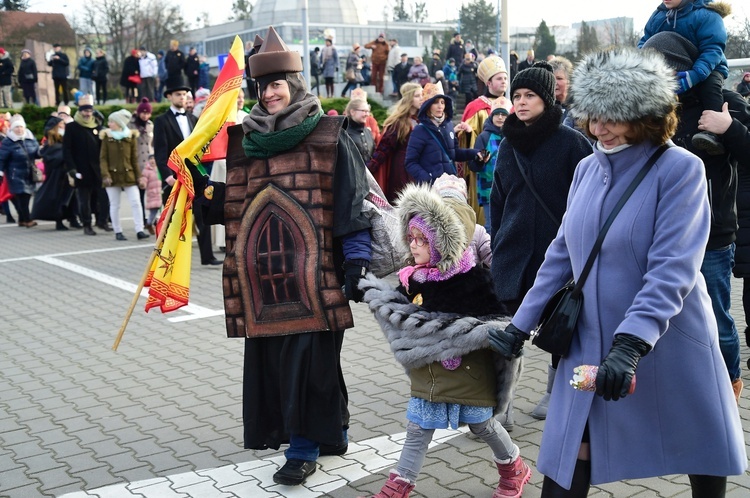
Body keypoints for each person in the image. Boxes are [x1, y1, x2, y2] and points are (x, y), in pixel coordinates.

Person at [489, 45, 747, 497]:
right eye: (592, 116)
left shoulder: (681, 169)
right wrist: (520, 325)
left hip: (667, 339)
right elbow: (562, 253)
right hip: (589, 340)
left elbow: (672, 269)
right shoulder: (588, 167)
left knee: (701, 448)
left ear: (645, 114)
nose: (597, 129)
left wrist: (631, 344)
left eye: (612, 117)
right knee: (571, 453)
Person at [189, 26, 371, 486]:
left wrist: (356, 263)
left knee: (311, 365)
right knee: (288, 366)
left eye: (276, 84)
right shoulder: (244, 142)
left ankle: (304, 448)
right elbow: (235, 203)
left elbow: (351, 204)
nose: (269, 94)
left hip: (317, 278)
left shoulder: (330, 134)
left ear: (294, 84)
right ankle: (335, 432)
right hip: (264, 286)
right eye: (262, 87)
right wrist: (199, 188)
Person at [358, 182, 529, 498]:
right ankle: (400, 485)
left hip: (468, 372)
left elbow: (496, 320)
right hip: (431, 371)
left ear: (439, 242)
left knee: (482, 424)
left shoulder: (470, 279)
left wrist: (482, 336)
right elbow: (401, 310)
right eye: (410, 239)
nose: (414, 246)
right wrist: (371, 293)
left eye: (422, 240)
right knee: (418, 427)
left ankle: (513, 467)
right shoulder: (414, 278)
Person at [643, 31, 750, 401]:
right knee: (666, 320)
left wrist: (730, 129)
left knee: (716, 322)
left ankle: (729, 384)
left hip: (714, 234)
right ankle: (681, 395)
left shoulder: (723, 102)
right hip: (660, 233)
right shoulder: (650, 112)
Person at [489, 61, 591, 424]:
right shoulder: (507, 145)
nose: (520, 102)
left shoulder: (572, 142)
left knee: (561, 329)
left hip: (561, 257)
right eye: (516, 95)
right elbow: (498, 200)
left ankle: (555, 393)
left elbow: (590, 200)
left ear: (547, 99)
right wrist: (496, 243)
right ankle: (504, 406)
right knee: (512, 332)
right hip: (514, 254)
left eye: (530, 95)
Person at [639, 0, 731, 155]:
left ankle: (712, 133)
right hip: (671, 67)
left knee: (710, 90)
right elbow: (645, 41)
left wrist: (696, 74)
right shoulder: (658, 16)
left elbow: (712, 49)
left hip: (708, 67)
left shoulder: (707, 15)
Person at [153, 83, 220, 266]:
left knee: (202, 214)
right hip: (173, 178)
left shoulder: (192, 118)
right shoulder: (161, 121)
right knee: (172, 220)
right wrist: (166, 175)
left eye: (184, 94)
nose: (182, 97)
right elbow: (160, 151)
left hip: (193, 176)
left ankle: (207, 256)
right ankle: (165, 258)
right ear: (169, 97)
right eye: (178, 94)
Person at [459, 55, 511, 226]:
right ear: (488, 83)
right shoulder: (475, 107)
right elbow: (468, 141)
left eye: (505, 78)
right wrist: (467, 133)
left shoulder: (512, 105)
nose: (504, 81)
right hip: (486, 174)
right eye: (499, 78)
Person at [405, 82, 481, 185]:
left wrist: (475, 153)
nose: (440, 106)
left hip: (450, 186)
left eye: (442, 102)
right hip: (431, 191)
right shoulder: (419, 130)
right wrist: (428, 179)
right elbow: (410, 162)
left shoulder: (449, 126)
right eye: (436, 102)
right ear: (428, 106)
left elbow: (455, 153)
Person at [63, 94, 110, 236]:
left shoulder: (98, 126)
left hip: (97, 169)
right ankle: (87, 224)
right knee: (84, 199)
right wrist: (72, 169)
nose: (87, 113)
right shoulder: (72, 127)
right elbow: (67, 150)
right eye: (84, 110)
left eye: (89, 110)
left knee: (103, 197)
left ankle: (102, 221)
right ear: (79, 111)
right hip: (81, 170)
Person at [99, 109, 148, 241]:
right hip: (112, 176)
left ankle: (139, 229)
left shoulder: (130, 137)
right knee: (115, 204)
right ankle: (118, 231)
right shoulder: (107, 137)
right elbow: (103, 158)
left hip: (129, 175)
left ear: (119, 123)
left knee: (136, 202)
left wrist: (139, 176)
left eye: (112, 122)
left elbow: (134, 158)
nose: (109, 124)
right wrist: (105, 175)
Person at [368, 83, 421, 202]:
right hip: (403, 168)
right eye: (417, 96)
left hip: (420, 167)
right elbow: (384, 147)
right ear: (409, 98)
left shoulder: (423, 119)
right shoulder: (399, 122)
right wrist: (370, 168)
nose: (421, 98)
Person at [468, 102, 509, 233]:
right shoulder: (483, 137)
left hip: (509, 188)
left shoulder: (512, 136)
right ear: (491, 116)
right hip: (488, 188)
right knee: (491, 226)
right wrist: (480, 160)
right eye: (497, 114)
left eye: (504, 115)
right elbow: (473, 166)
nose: (500, 118)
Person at [32, 116, 77, 230]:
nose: (64, 126)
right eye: (61, 124)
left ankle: (73, 218)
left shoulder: (64, 140)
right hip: (56, 176)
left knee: (72, 198)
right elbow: (54, 157)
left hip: (66, 174)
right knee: (58, 198)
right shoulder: (51, 144)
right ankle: (59, 220)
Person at [0, 114, 39, 227]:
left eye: (21, 127)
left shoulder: (31, 139)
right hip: (15, 173)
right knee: (23, 196)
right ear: (12, 128)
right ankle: (28, 219)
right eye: (16, 127)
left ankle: (22, 219)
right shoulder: (8, 141)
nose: (19, 129)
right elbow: (2, 158)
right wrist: (0, 173)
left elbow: (37, 152)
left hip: (29, 172)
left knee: (25, 195)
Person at [129, 98, 154, 232]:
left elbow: (153, 144)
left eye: (147, 113)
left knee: (151, 193)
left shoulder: (150, 125)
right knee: (139, 195)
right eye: (143, 112)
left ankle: (150, 219)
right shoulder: (131, 125)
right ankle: (141, 219)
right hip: (137, 163)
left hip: (149, 164)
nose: (145, 115)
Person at [343, 97, 375, 164]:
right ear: (352, 112)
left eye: (368, 111)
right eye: (364, 111)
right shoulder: (343, 133)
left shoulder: (368, 132)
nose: (367, 114)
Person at [139, 154, 161, 235]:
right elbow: (144, 178)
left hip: (160, 194)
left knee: (161, 211)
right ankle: (149, 223)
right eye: (150, 159)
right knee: (153, 211)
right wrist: (142, 183)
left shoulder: (159, 168)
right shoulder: (146, 170)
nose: (152, 160)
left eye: (154, 158)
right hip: (152, 195)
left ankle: (156, 225)